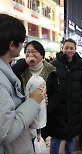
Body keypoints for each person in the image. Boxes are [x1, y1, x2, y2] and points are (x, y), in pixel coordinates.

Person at [0, 14, 46, 154]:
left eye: (34, 51)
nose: (29, 53)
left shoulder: (7, 68)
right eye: (23, 42)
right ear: (12, 45)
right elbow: (6, 131)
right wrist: (33, 102)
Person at [46, 38, 82, 154]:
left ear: (75, 50)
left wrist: (77, 99)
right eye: (66, 48)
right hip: (58, 109)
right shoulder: (53, 65)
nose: (69, 50)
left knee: (71, 138)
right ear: (62, 48)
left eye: (71, 48)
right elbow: (48, 87)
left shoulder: (80, 67)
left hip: (74, 109)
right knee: (56, 138)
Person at [12, 40, 55, 140]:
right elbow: (11, 73)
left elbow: (57, 93)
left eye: (34, 51)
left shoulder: (51, 71)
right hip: (23, 114)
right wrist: (25, 63)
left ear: (42, 54)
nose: (30, 54)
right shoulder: (21, 68)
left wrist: (47, 105)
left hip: (43, 117)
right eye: (27, 51)